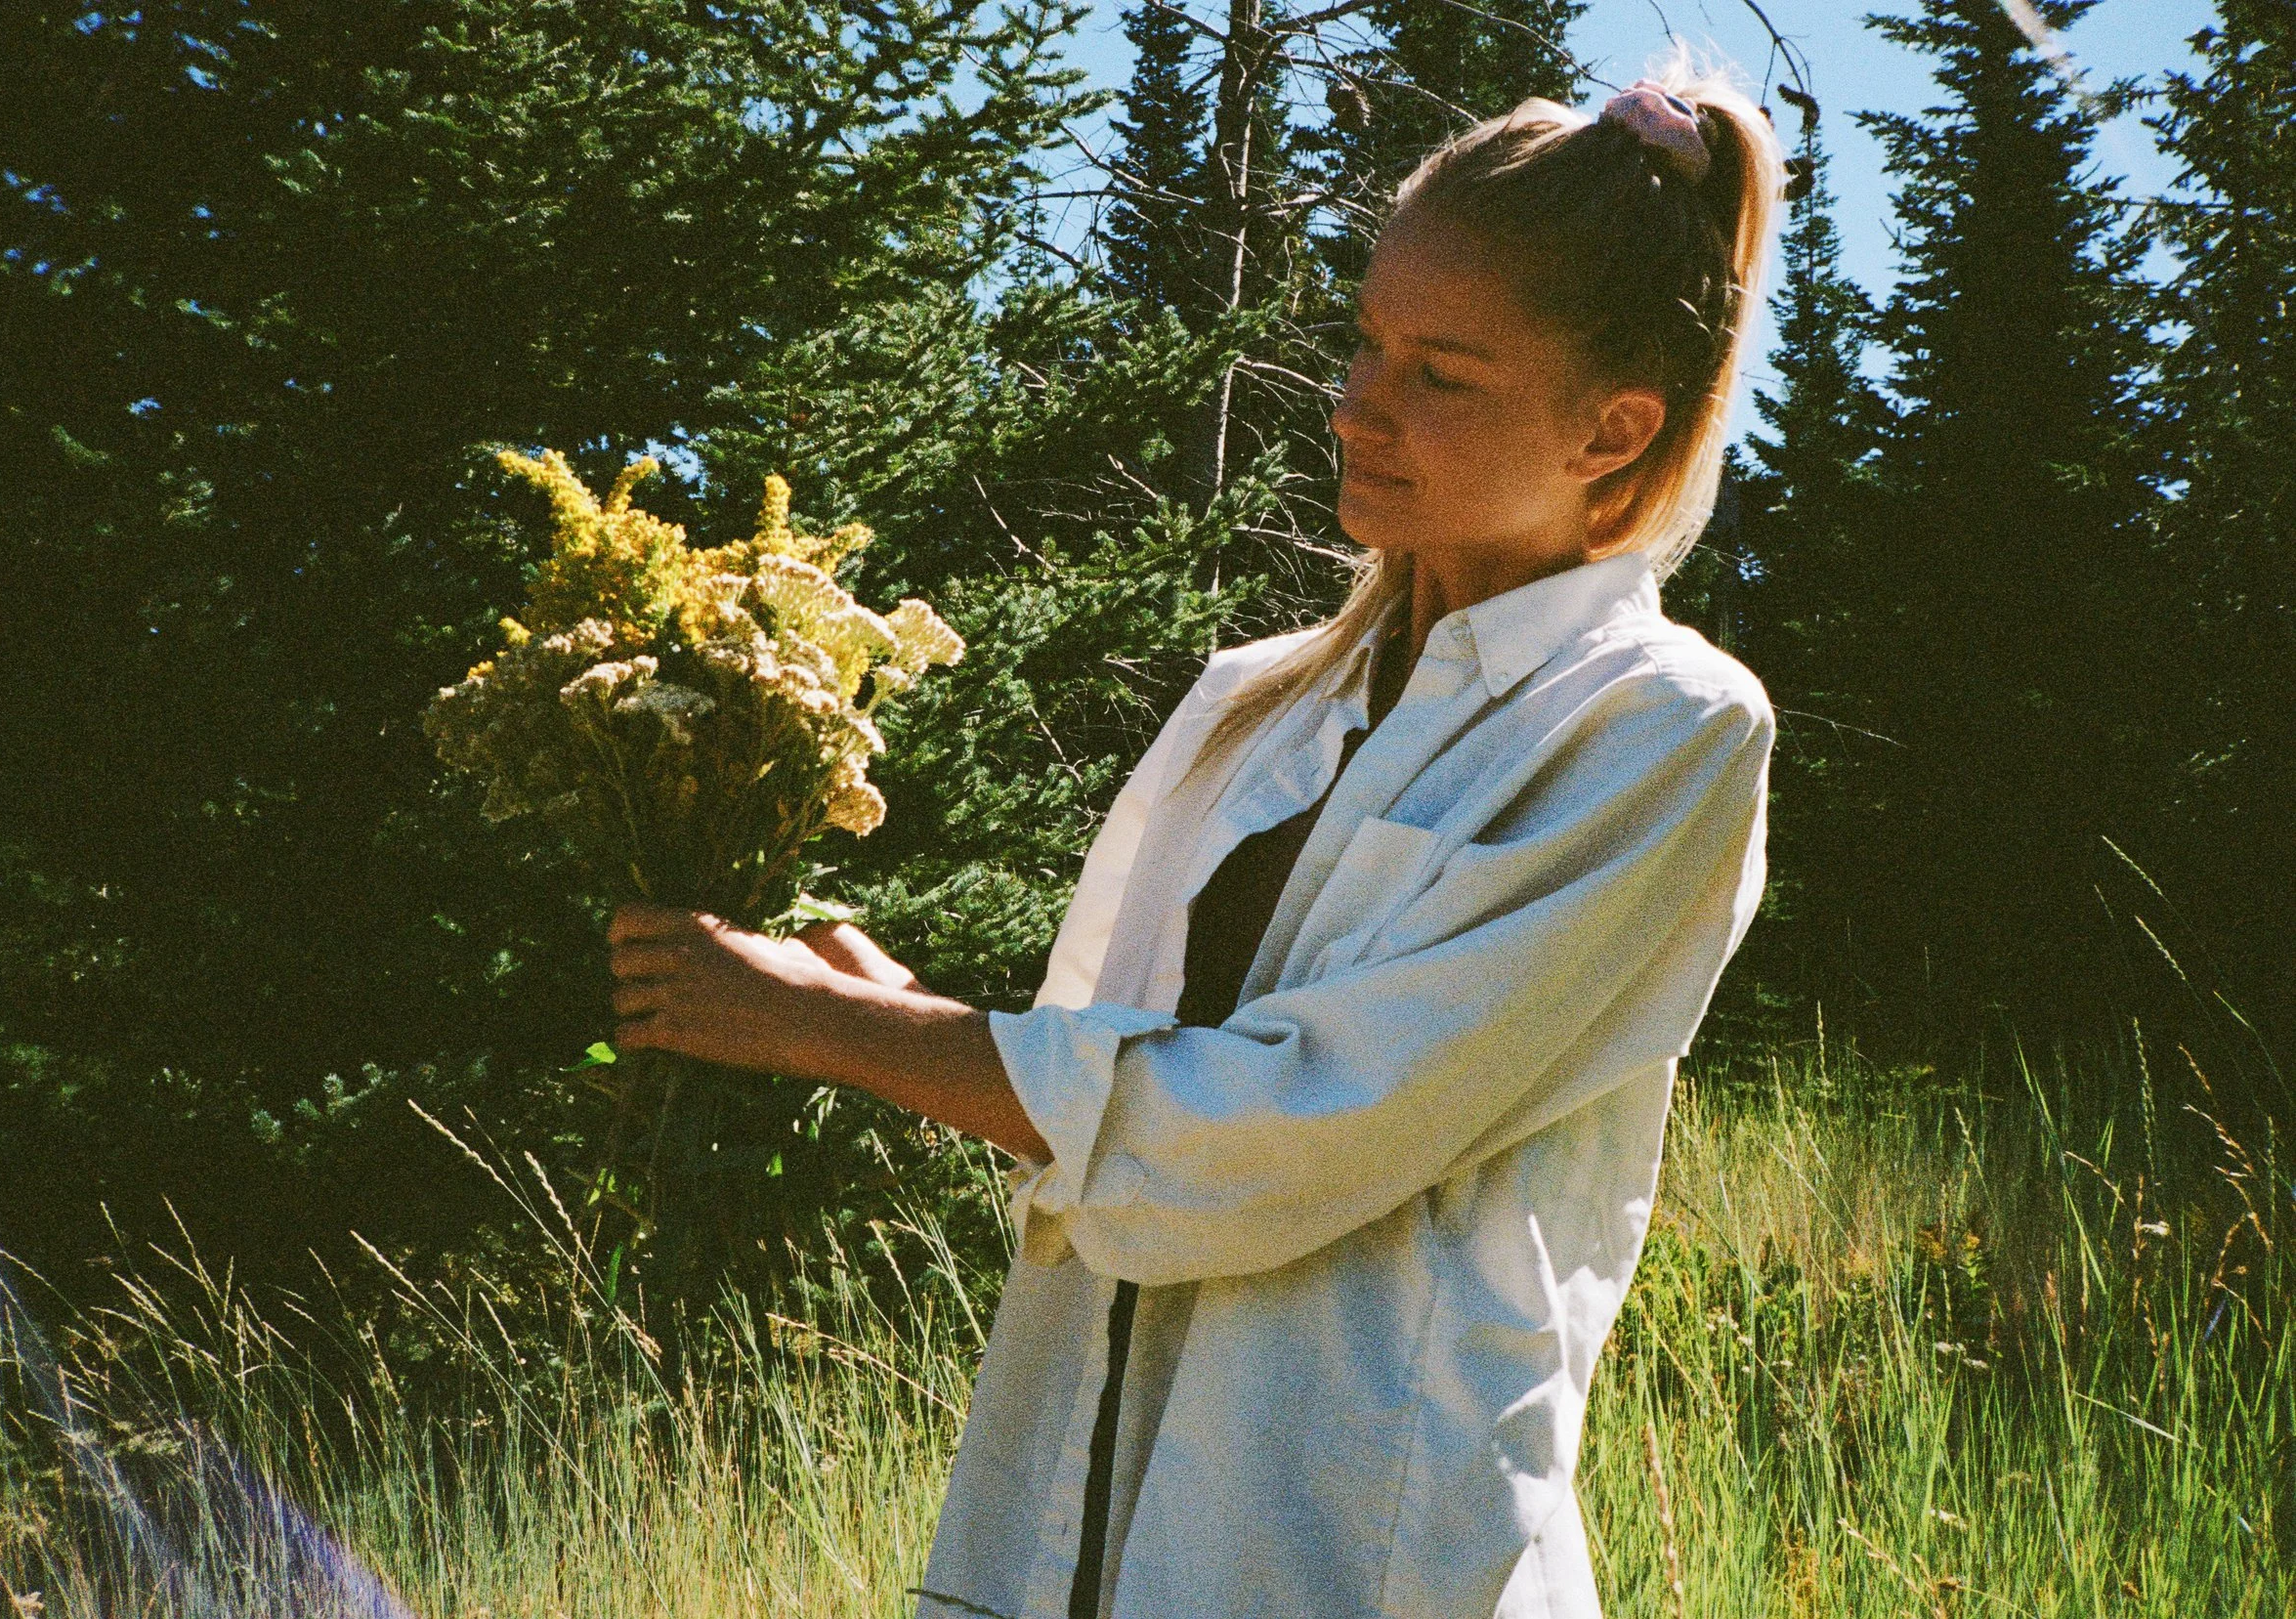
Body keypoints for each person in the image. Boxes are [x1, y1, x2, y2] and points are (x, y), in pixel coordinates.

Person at [607, 58, 1786, 1619]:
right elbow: (1124, 1086)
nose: (1359, 405)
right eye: (1363, 344)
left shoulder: (1659, 730)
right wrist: (893, 1006)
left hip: (1360, 1539)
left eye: (1443, 373)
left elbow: (1298, 1117)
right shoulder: (1260, 703)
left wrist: (845, 1032)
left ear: (1612, 434)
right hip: (1080, 1499)